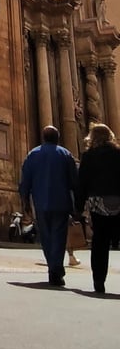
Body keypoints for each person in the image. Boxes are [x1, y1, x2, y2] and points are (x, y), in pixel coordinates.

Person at [19, 125, 78, 287]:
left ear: (44, 138)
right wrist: (77, 204)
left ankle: (54, 268)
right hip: (61, 202)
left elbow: (25, 179)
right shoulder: (65, 154)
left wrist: (24, 200)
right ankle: (55, 269)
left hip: (41, 202)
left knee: (46, 237)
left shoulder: (33, 154)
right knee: (59, 237)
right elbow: (74, 181)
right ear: (57, 138)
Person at [77, 122, 120, 294]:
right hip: (118, 200)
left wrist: (78, 206)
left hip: (97, 202)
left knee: (100, 242)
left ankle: (98, 280)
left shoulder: (88, 156)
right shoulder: (118, 154)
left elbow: (82, 183)